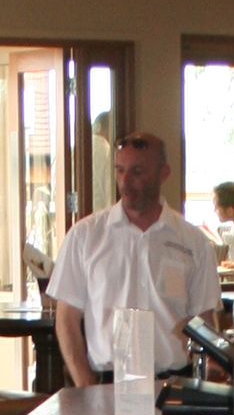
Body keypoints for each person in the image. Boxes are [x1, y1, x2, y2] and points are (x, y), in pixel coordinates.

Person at [49, 130, 220, 389]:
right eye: (120, 170)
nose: (125, 181)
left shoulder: (192, 242)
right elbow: (67, 318)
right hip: (106, 386)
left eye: (137, 172)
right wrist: (85, 384)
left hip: (174, 386)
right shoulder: (85, 237)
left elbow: (203, 322)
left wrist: (208, 381)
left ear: (164, 174)